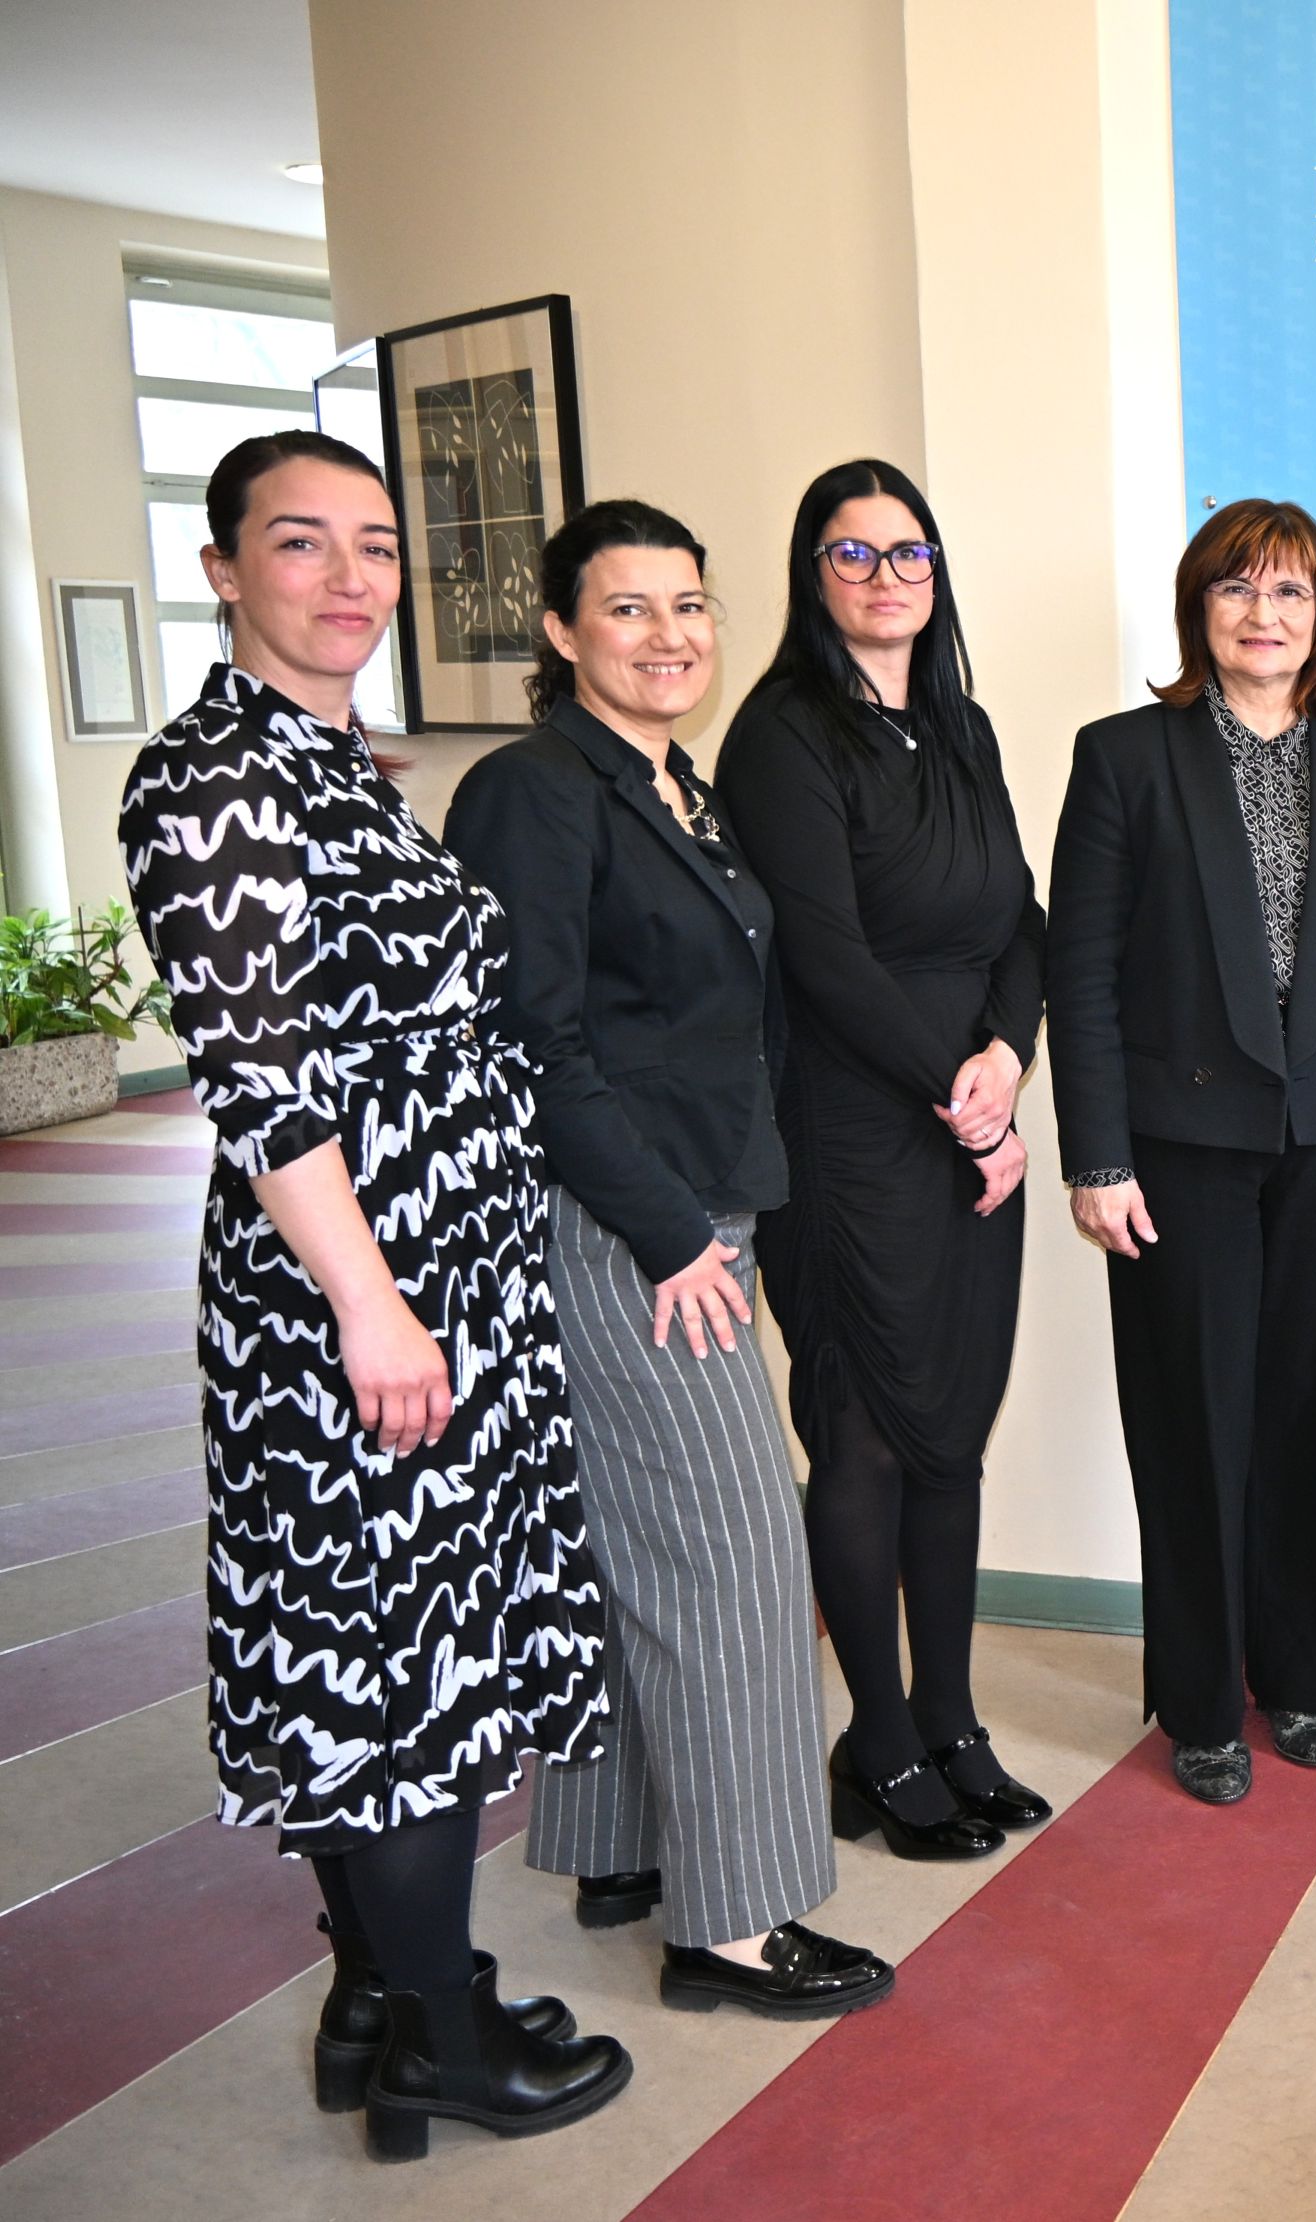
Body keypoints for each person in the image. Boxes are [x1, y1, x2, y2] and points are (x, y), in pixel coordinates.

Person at [118, 431, 625, 2158]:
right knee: (393, 1665)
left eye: (377, 545)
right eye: (300, 541)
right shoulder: (213, 781)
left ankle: (387, 1993)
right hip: (360, 1293)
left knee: (391, 1648)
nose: (349, 578)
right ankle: (442, 2041)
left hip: (444, 1273)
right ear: (221, 568)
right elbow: (262, 1079)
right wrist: (372, 1304)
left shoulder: (334, 763)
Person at [444, 499, 891, 2019]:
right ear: (561, 632)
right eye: (627, 608)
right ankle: (738, 1922)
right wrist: (672, 1234)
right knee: (738, 1560)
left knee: (638, 1545)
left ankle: (621, 1843)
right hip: (632, 1225)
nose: (668, 635)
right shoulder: (532, 790)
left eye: (688, 604)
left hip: (700, 1209)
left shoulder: (673, 784)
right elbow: (534, 1043)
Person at [1047, 499, 1316, 1806]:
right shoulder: (1124, 757)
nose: (1262, 615)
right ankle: (1203, 1701)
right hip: (1176, 1152)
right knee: (1191, 1425)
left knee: (1302, 1419)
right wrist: (1097, 1157)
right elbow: (1080, 973)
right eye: (1236, 589)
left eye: (1289, 592)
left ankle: (1302, 1676)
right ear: (1196, 610)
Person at [713, 459, 1047, 1861]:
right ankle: (880, 1736)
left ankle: (953, 1721)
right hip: (849, 1128)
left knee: (951, 1431)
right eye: (851, 554)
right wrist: (963, 1101)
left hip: (968, 1120)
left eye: (907, 552)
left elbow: (1021, 920)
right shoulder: (782, 734)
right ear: (813, 574)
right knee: (858, 1428)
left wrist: (1006, 1059)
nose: (885, 577)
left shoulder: (960, 725)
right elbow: (825, 957)